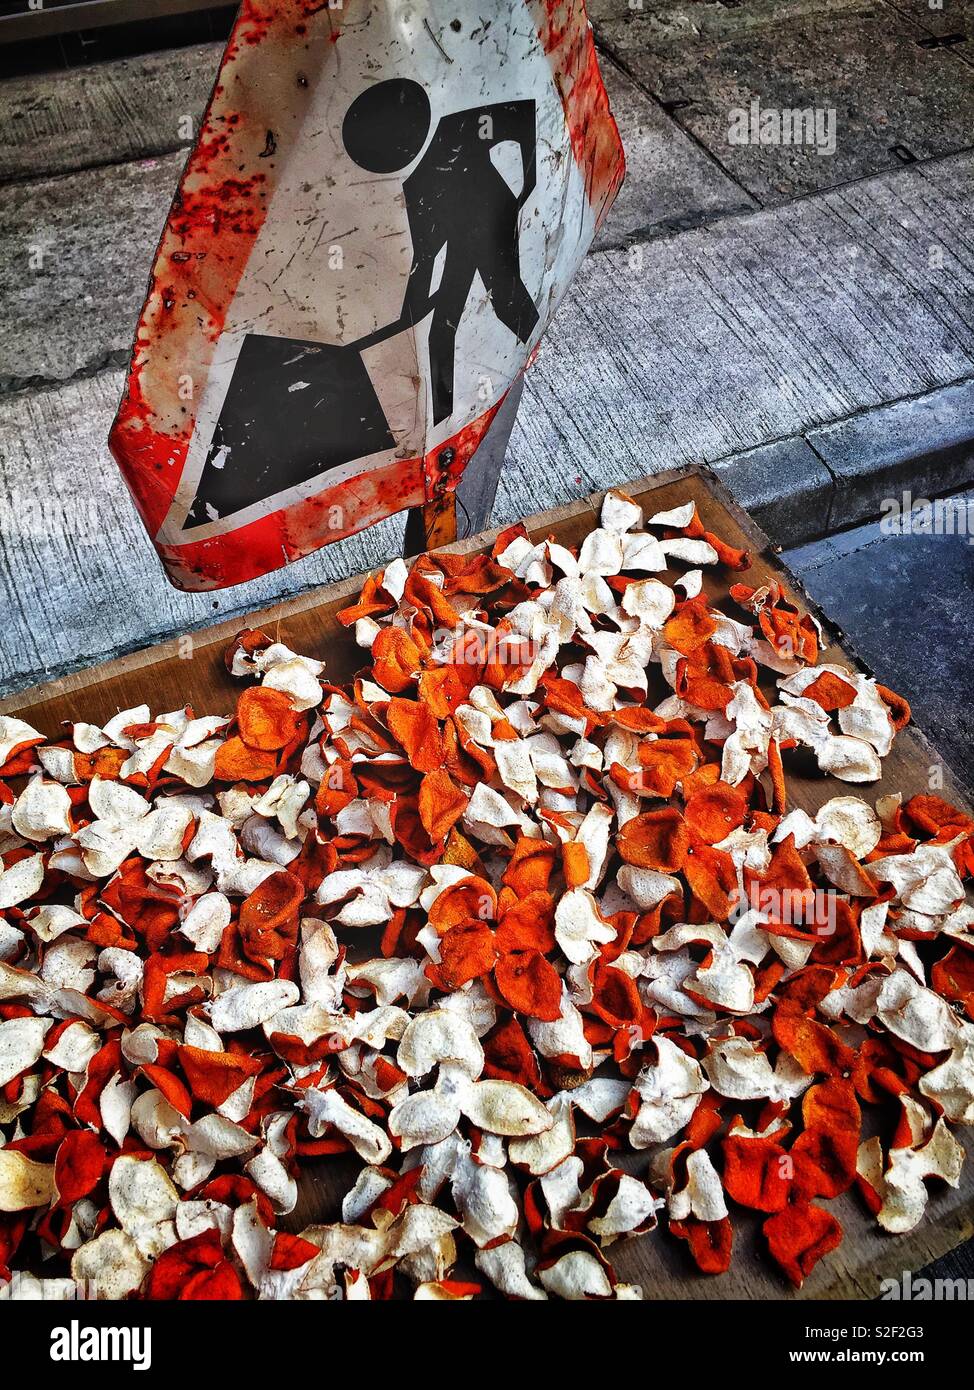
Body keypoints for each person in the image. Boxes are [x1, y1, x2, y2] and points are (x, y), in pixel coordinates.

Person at [343, 77, 540, 425]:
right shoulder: (416, 189)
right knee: (441, 330)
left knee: (507, 304)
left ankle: (530, 348)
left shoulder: (455, 128)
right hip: (461, 235)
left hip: (493, 217)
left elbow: (520, 117)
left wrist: (528, 182)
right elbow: (425, 258)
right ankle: (444, 418)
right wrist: (411, 310)